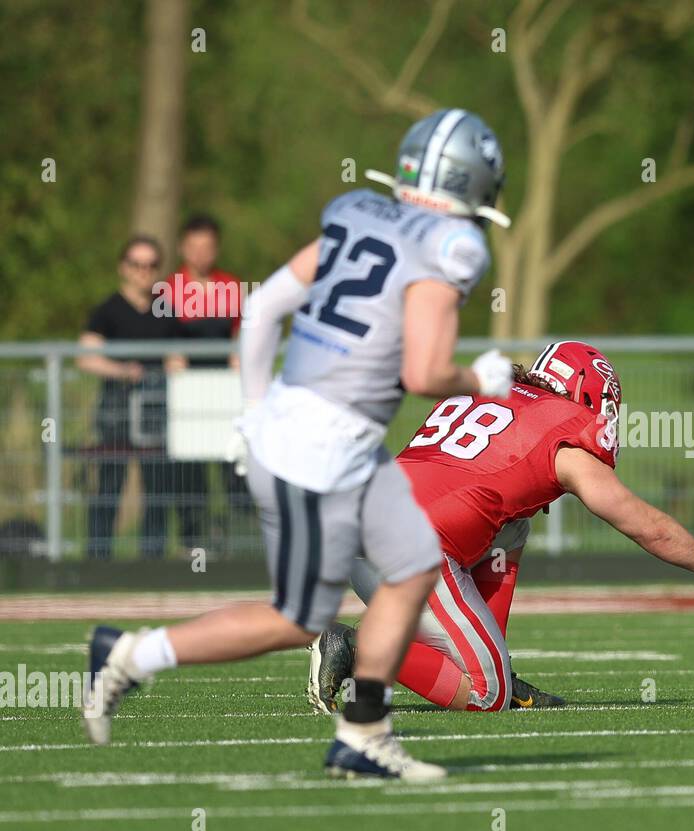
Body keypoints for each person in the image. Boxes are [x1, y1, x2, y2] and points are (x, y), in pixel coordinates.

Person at [82, 109, 517, 781]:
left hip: (320, 430)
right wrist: (480, 378)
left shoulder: (359, 214)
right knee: (295, 617)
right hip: (323, 445)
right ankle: (131, 654)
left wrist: (255, 408)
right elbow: (425, 373)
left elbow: (261, 310)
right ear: (473, 180)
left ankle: (366, 731)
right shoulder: (453, 245)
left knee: (413, 563)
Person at [307, 341, 694, 715]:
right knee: (483, 693)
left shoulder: (489, 394)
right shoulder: (566, 433)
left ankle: (494, 665)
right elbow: (645, 526)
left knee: (513, 527)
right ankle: (356, 645)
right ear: (588, 394)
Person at [78, 236, 183, 559]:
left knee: (158, 487)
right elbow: (86, 357)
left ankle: (152, 561)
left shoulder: (166, 310)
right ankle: (98, 560)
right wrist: (124, 371)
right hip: (117, 410)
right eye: (137, 264)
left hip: (156, 411)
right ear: (124, 268)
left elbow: (178, 359)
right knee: (109, 486)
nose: (143, 271)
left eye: (151, 265)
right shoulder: (107, 310)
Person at [163, 214, 247, 550]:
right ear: (184, 247)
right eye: (193, 247)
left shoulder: (230, 286)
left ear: (216, 249)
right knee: (191, 471)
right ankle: (192, 543)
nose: (200, 254)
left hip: (226, 391)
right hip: (186, 393)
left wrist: (239, 356)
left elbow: (243, 333)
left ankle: (240, 540)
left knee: (234, 465)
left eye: (207, 247)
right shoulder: (169, 290)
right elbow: (161, 338)